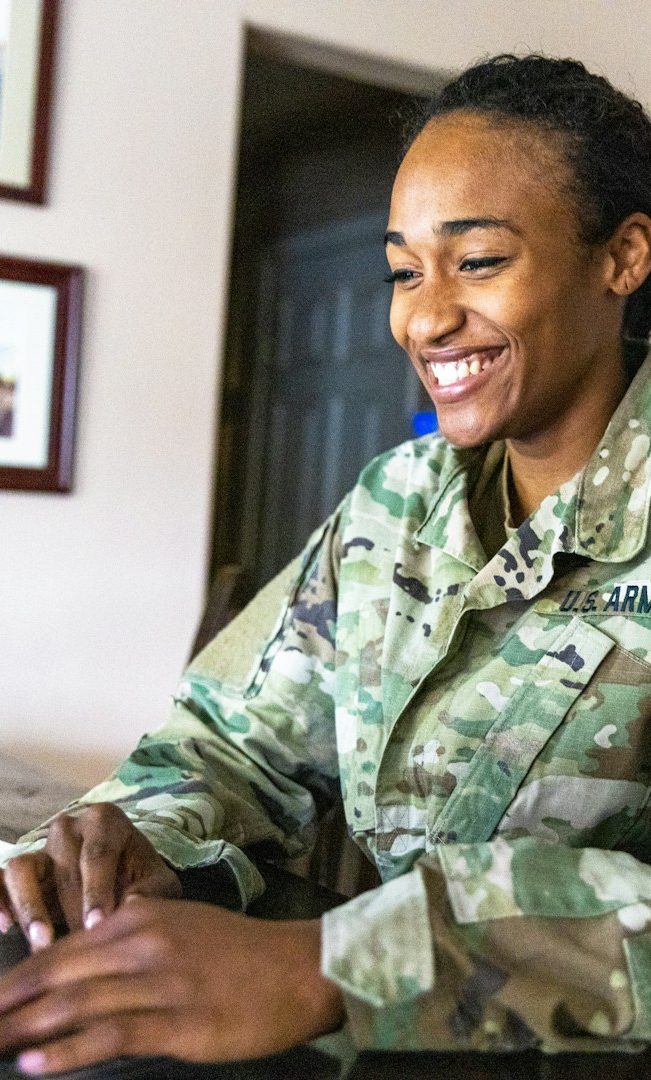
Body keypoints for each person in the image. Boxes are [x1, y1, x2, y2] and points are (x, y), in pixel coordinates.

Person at [1, 52, 651, 1075]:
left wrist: (339, 966)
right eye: (404, 271)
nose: (423, 318)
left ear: (622, 257)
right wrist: (137, 839)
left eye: (479, 261)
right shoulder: (397, 500)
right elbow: (235, 747)